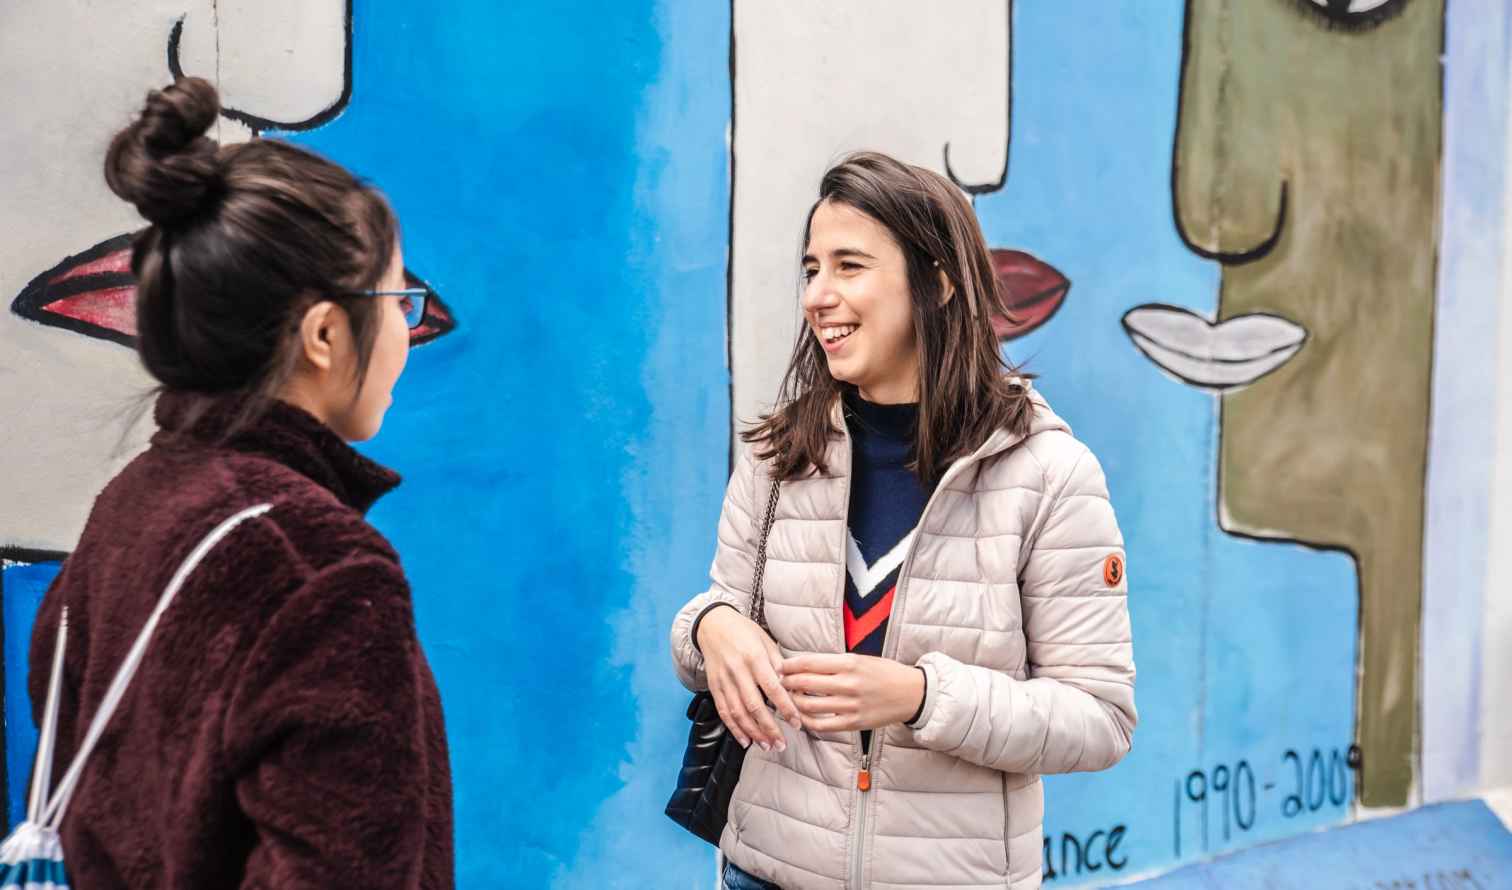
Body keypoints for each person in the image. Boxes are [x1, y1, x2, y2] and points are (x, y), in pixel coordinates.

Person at [26, 77, 453, 890]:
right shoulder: (318, 564)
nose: (406, 330)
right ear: (325, 334)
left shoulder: (130, 507)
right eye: (397, 300)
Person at [670, 151, 1136, 890]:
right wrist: (709, 628)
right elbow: (720, 626)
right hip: (764, 871)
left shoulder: (1048, 475)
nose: (817, 296)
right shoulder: (778, 455)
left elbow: (1099, 718)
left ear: (939, 282)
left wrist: (921, 698)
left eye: (849, 267)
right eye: (811, 269)